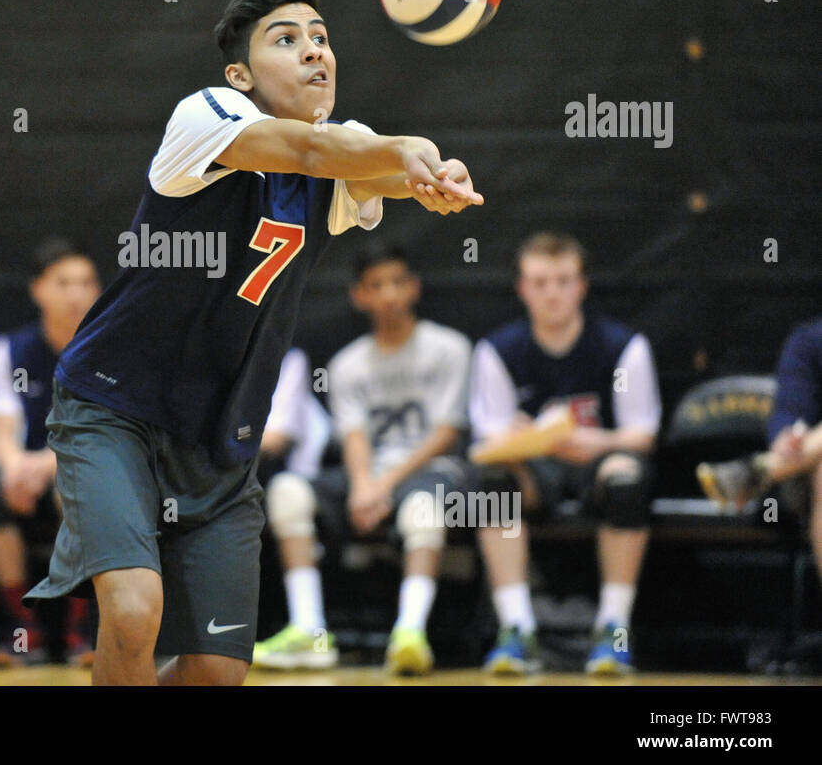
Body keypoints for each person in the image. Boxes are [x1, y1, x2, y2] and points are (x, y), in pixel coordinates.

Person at [24, 0, 484, 685]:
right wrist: (407, 150)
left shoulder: (345, 148)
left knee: (216, 669)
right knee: (135, 609)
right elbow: (310, 153)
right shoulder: (207, 114)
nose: (313, 51)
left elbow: (372, 167)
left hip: (218, 440)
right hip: (114, 409)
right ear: (240, 74)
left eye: (322, 38)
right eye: (287, 39)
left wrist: (426, 169)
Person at [254, 245, 471, 674]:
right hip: (369, 476)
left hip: (430, 471)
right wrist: (362, 486)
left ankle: (410, 633)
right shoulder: (347, 363)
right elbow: (353, 435)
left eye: (396, 282)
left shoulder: (449, 347)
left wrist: (383, 484)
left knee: (423, 509)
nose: (388, 294)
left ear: (413, 288)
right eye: (376, 285)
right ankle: (309, 629)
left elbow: (447, 433)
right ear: (360, 296)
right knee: (287, 491)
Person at [469, 232, 661, 675]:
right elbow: (487, 440)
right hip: (536, 469)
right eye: (539, 282)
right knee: (493, 485)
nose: (551, 293)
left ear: (581, 286)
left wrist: (599, 441)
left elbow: (642, 432)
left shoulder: (621, 346)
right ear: (522, 289)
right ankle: (516, 631)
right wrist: (527, 438)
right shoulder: (499, 350)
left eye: (562, 281)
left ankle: (612, 630)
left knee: (627, 479)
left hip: (596, 461)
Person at [0, 238, 102, 665]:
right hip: (27, 472)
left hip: (87, 468)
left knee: (76, 486)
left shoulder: (110, 348)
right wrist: (14, 468)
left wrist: (47, 465)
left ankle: (79, 630)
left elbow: (103, 432)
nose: (76, 294)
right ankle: (22, 625)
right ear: (38, 290)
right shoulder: (11, 349)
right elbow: (3, 423)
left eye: (86, 283)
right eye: (64, 283)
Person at [698, 316, 822, 587]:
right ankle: (768, 467)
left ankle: (761, 470)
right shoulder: (811, 339)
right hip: (807, 476)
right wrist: (786, 437)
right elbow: (789, 407)